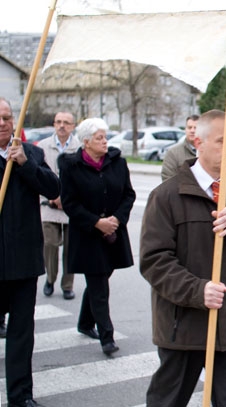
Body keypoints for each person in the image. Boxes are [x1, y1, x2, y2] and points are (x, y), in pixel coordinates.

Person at [140, 109, 226, 407]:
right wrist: (197, 290)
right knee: (167, 402)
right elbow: (154, 261)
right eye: (222, 141)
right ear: (198, 142)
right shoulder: (167, 195)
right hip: (183, 327)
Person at [57, 117, 135, 356]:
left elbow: (128, 195)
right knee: (99, 284)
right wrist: (96, 222)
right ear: (86, 142)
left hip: (113, 232)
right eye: (99, 138)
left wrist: (116, 220)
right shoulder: (71, 166)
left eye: (105, 137)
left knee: (100, 279)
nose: (104, 141)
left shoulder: (117, 162)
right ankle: (107, 337)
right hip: (88, 235)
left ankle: (84, 322)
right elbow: (70, 202)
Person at [0, 97, 60, 407]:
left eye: (7, 117)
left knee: (22, 333)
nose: (2, 123)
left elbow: (53, 189)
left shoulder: (31, 153)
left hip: (23, 260)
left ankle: (21, 395)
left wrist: (26, 164)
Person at [39, 111, 81, 300]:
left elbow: (83, 179)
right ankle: (50, 279)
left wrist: (68, 199)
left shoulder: (79, 148)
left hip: (72, 208)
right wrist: (53, 197)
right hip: (48, 205)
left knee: (71, 249)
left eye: (66, 122)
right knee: (50, 244)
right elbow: (37, 175)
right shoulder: (42, 146)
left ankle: (67, 285)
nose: (61, 126)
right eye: (58, 122)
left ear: (73, 126)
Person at [160, 114, 199, 181]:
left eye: (195, 128)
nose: (192, 131)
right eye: (189, 127)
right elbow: (167, 179)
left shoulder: (209, 152)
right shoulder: (173, 153)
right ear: (185, 129)